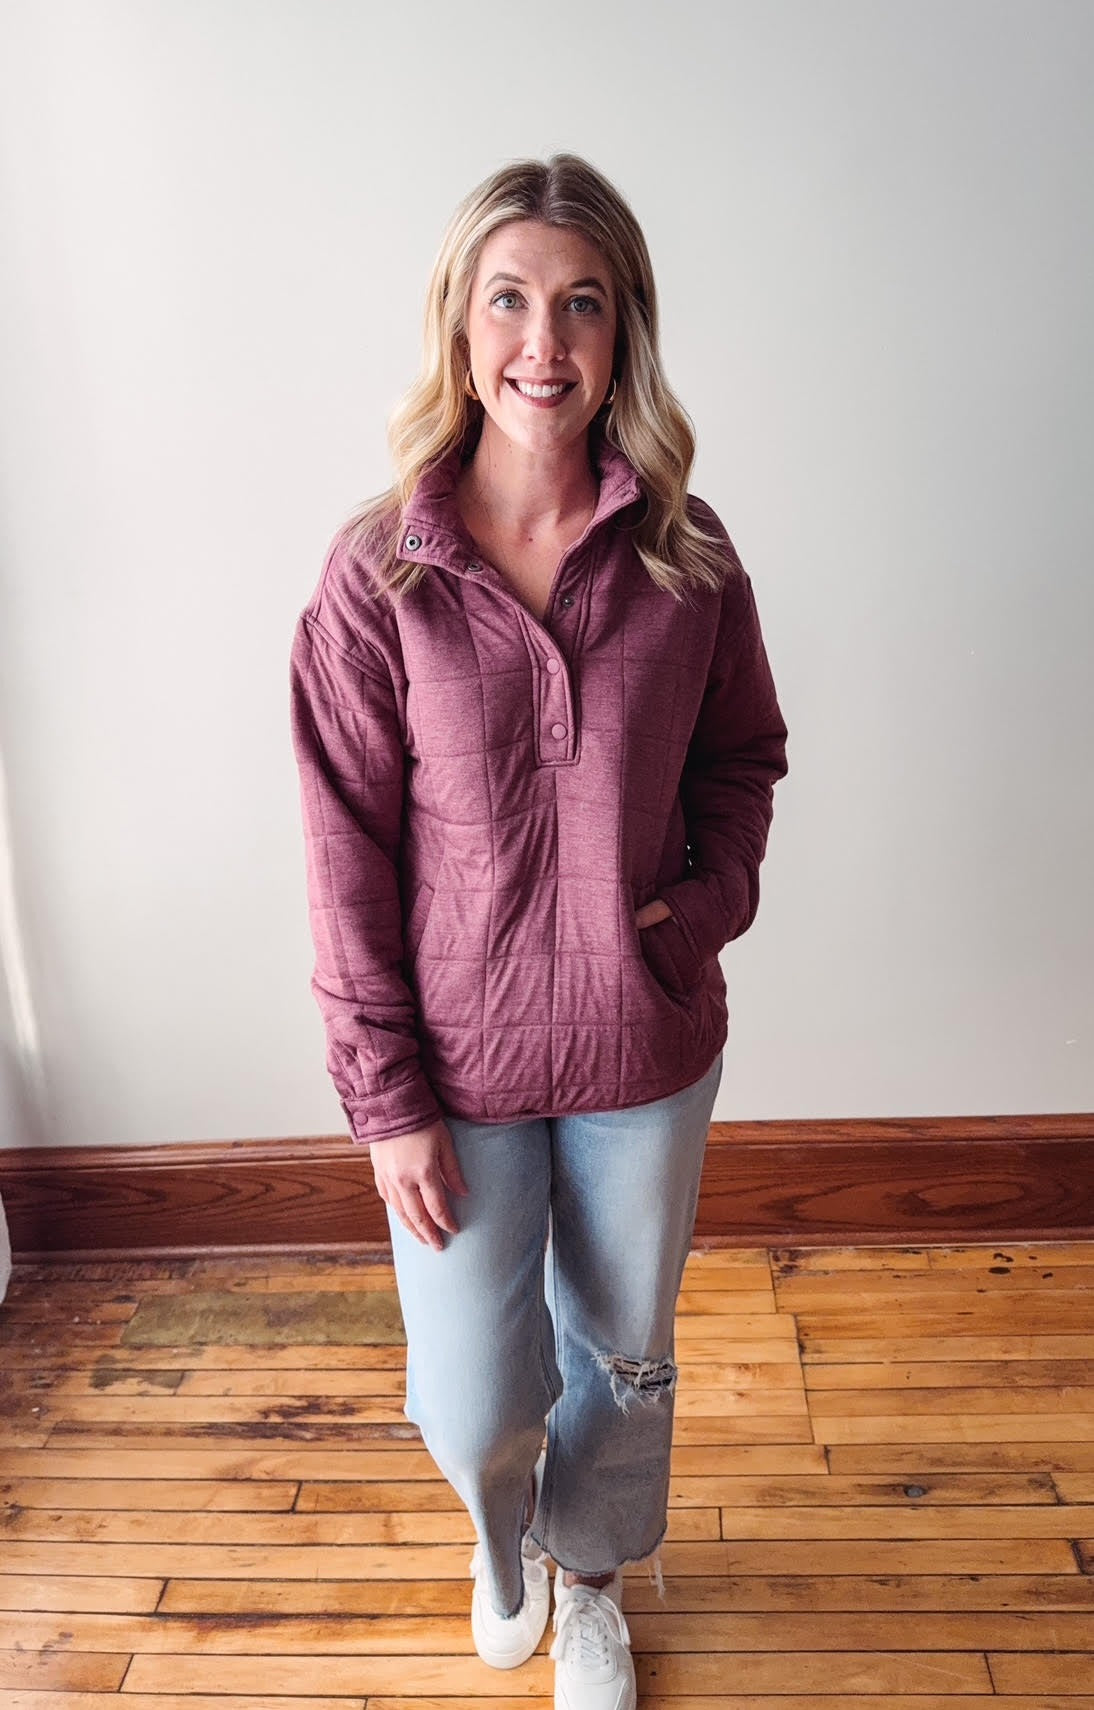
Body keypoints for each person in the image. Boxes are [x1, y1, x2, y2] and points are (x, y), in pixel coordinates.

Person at [289, 153, 788, 1710]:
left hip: (641, 1042)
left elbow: (742, 761)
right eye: (508, 298)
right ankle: (497, 1529)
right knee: (473, 1387)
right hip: (456, 1061)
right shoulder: (379, 576)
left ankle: (588, 1576)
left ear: (622, 331)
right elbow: (339, 852)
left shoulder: (685, 556)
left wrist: (691, 911)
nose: (542, 340)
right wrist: (385, 1104)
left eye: (581, 303)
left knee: (622, 1354)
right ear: (457, 324)